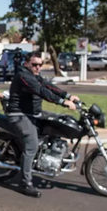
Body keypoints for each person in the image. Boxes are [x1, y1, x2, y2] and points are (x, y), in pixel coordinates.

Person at [7, 52, 79, 198]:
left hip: (33, 113)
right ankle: (25, 184)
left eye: (40, 65)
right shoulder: (23, 75)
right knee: (31, 146)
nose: (38, 67)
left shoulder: (34, 75)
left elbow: (47, 85)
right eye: (34, 65)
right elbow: (40, 90)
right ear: (27, 63)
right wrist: (62, 102)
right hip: (19, 114)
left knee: (57, 121)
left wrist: (67, 96)